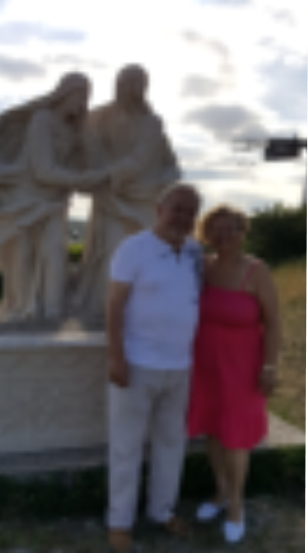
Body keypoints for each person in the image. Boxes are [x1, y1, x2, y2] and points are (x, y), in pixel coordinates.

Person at [0, 73, 108, 323]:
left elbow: (85, 163)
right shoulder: (42, 120)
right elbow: (43, 170)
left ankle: (53, 311)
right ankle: (23, 311)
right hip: (23, 197)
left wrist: (86, 140)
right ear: (66, 93)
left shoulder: (72, 130)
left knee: (55, 253)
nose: (83, 103)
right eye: (81, 96)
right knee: (24, 255)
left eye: (87, 97)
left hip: (52, 202)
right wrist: (79, 180)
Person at [106, 184, 203, 553]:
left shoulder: (194, 252)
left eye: (191, 211)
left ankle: (162, 511)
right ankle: (120, 521)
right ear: (159, 209)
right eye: (177, 208)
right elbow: (114, 306)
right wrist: (116, 358)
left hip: (180, 367)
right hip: (137, 364)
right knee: (126, 447)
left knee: (171, 444)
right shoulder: (133, 248)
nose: (183, 217)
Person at [188, 205, 281, 544]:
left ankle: (236, 506)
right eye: (216, 229)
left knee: (235, 437)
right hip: (206, 366)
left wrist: (269, 366)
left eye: (231, 228)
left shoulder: (257, 270)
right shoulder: (202, 266)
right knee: (213, 431)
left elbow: (273, 323)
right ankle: (220, 492)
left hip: (243, 368)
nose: (223, 235)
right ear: (205, 233)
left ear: (242, 232)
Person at [74, 65, 181, 324]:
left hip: (143, 200)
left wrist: (104, 175)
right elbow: (86, 149)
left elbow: (144, 161)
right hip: (110, 200)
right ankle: (105, 312)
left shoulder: (152, 123)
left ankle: (142, 313)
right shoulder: (99, 117)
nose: (127, 88)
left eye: (135, 83)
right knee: (112, 255)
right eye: (123, 82)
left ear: (143, 88)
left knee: (148, 258)